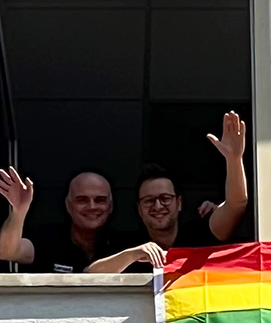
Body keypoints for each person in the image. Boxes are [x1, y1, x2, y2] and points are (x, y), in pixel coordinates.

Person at [87, 111, 249, 273]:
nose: (157, 206)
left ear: (179, 203)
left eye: (165, 198)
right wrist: (132, 255)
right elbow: (89, 275)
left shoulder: (199, 234)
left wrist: (234, 160)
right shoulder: (129, 245)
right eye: (149, 200)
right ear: (139, 209)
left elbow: (236, 205)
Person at [0, 168, 117, 273]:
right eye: (82, 200)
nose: (92, 207)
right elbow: (8, 252)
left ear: (110, 206)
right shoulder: (47, 239)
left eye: (100, 200)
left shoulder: (122, 244)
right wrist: (19, 210)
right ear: (68, 205)